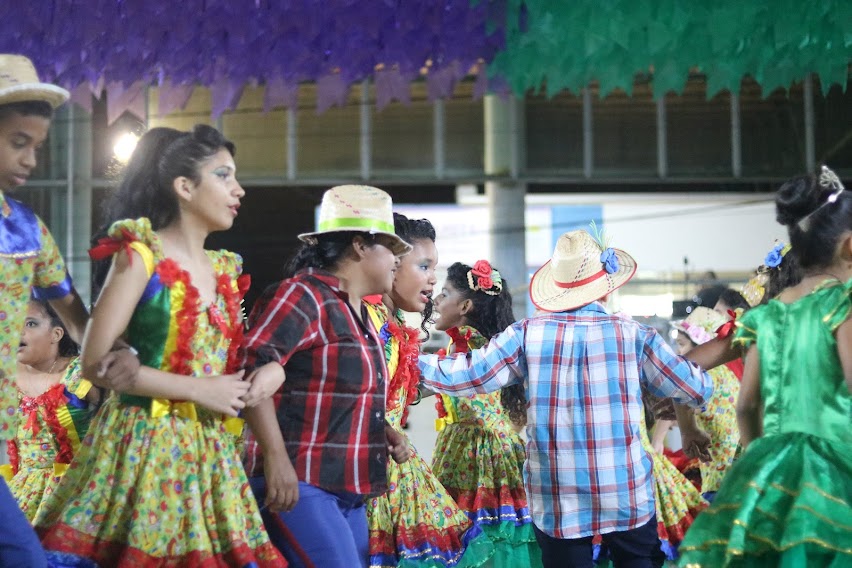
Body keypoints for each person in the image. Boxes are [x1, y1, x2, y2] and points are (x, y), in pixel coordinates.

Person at [34, 124, 286, 566]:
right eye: (224, 176)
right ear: (184, 187)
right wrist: (199, 389)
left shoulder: (226, 271)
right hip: (146, 442)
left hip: (210, 452)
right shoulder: (140, 255)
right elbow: (95, 362)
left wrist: (273, 380)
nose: (239, 190)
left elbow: (234, 365)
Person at [418, 229, 714, 568]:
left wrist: (405, 358)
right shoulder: (635, 335)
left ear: (557, 287)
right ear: (605, 288)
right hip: (625, 492)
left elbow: (468, 373)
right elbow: (694, 386)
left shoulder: (527, 334)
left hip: (558, 500)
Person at [0, 53, 138, 567]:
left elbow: (77, 319)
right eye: (19, 142)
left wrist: (119, 356)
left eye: (37, 147)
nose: (31, 161)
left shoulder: (26, 229)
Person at [679, 166, 852, 566]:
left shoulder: (765, 317)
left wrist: (760, 458)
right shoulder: (842, 305)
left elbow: (746, 406)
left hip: (771, 463)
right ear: (849, 247)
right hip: (834, 467)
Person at [242, 185, 413, 567]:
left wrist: (382, 430)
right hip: (299, 481)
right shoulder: (303, 296)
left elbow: (333, 391)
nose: (398, 260)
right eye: (391, 248)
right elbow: (252, 370)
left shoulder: (359, 313)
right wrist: (275, 459)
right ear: (360, 246)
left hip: (347, 489)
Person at [364, 215, 493, 568]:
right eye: (424, 266)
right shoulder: (368, 320)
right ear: (389, 263)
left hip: (394, 465)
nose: (433, 279)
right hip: (372, 470)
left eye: (434, 268)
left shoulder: (388, 322)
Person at [430, 259, 541, 568]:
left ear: (465, 306)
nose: (436, 300)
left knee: (476, 539)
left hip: (477, 456)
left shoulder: (470, 347)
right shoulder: (484, 344)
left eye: (445, 293)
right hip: (493, 451)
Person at [1, 300, 96, 522]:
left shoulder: (79, 373)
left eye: (30, 323)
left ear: (56, 334)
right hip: (21, 493)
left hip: (76, 490)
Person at [669, 308, 740, 501]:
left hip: (717, 483)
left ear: (701, 344)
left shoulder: (704, 376)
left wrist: (687, 430)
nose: (678, 351)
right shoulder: (726, 373)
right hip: (738, 475)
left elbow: (678, 378)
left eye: (682, 344)